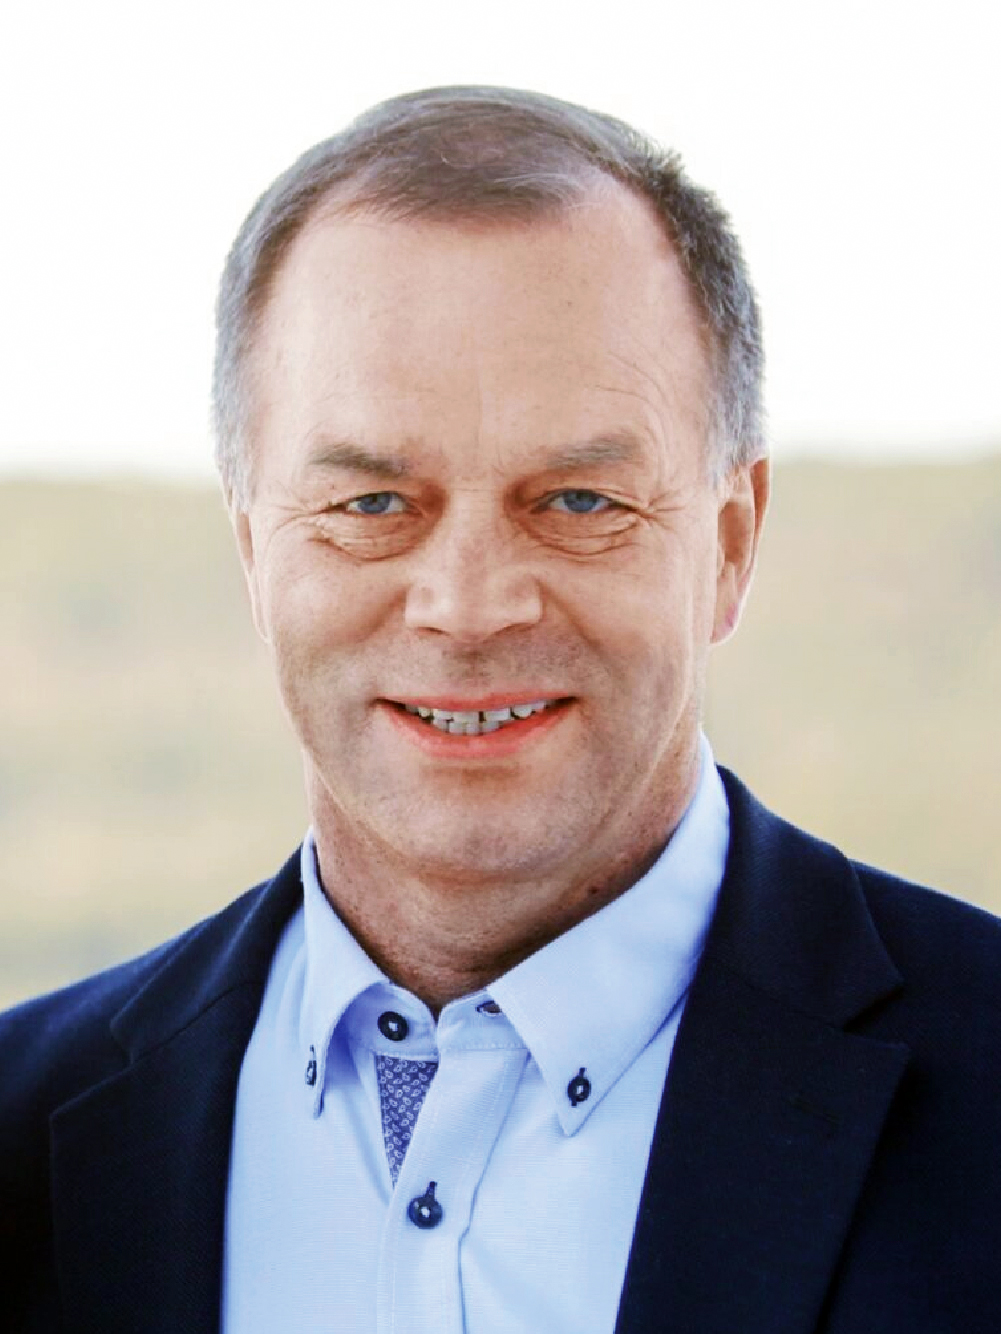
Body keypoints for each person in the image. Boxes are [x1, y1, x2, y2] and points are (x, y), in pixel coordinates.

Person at [1, 85, 999, 1334]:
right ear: (254, 550)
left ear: (730, 544)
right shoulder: (21, 1143)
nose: (468, 607)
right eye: (372, 505)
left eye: (576, 501)